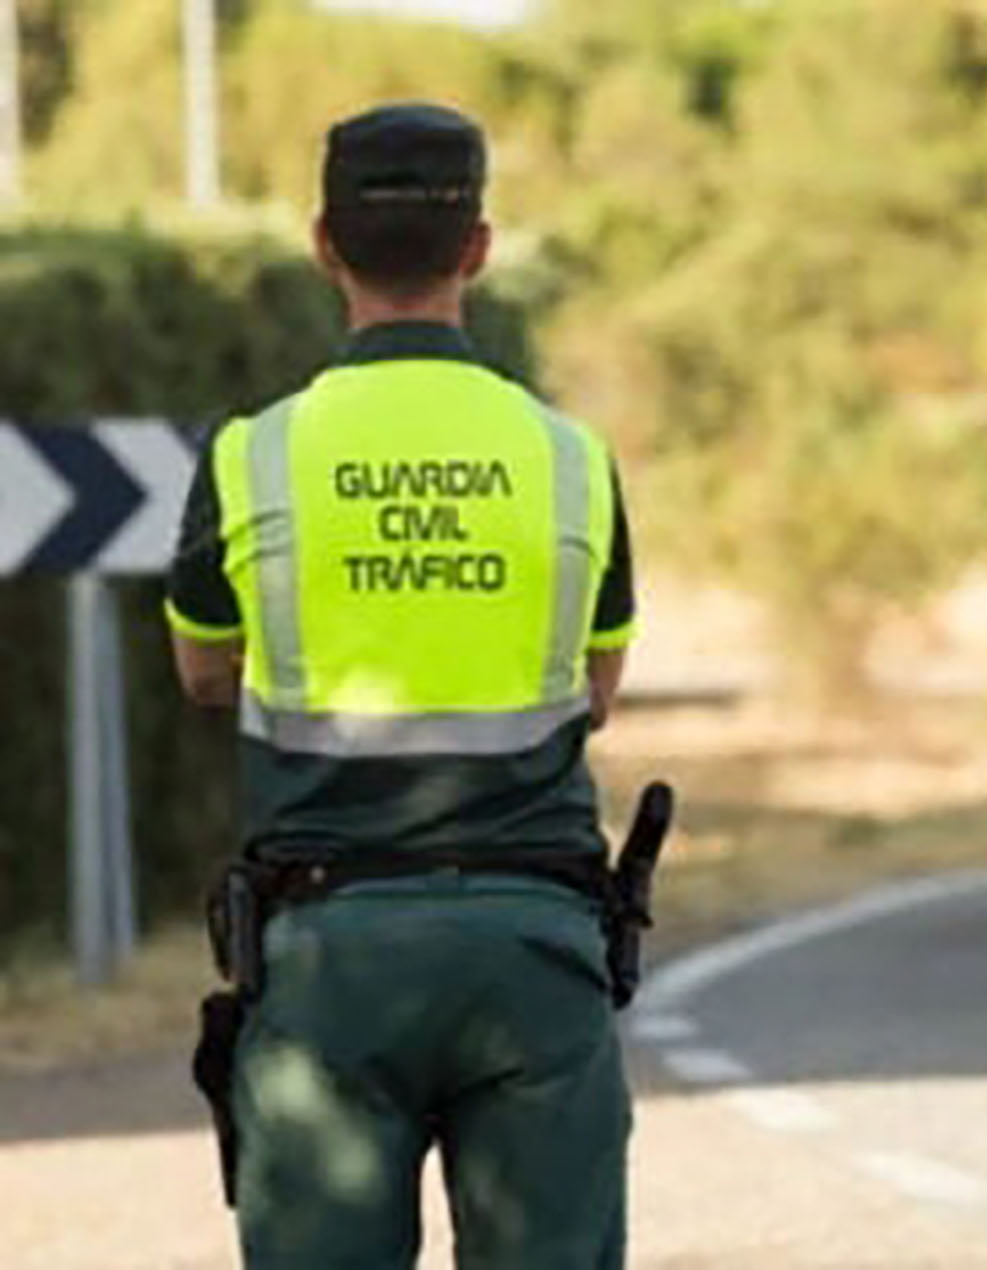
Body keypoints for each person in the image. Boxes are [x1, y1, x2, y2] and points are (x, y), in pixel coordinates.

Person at [165, 103, 638, 1268]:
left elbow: (201, 671)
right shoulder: (571, 460)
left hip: (328, 957)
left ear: (323, 243)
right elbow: (599, 684)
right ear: (477, 247)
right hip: (535, 951)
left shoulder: (250, 456)